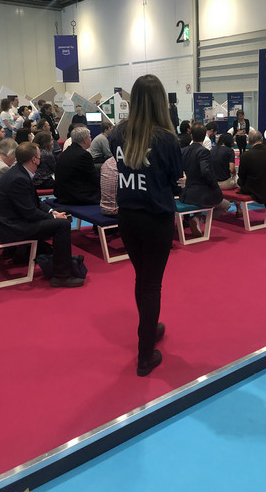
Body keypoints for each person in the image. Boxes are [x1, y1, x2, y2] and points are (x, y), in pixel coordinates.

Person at [109, 74, 183, 377]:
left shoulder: (117, 133)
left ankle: (149, 330)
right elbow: (175, 181)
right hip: (155, 218)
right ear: (160, 102)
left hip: (127, 217)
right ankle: (144, 355)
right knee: (151, 283)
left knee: (143, 278)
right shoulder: (166, 139)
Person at [0, 142, 84, 288]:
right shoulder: (19, 178)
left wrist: (52, 212)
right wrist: (55, 218)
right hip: (9, 226)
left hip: (11, 220)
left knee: (60, 215)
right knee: (63, 225)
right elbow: (30, 213)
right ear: (34, 159)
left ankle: (58, 262)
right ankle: (61, 275)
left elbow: (35, 202)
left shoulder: (20, 172)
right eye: (39, 155)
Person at [181, 122, 231, 235]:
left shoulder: (183, 151)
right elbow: (205, 171)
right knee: (226, 205)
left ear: (191, 135)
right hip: (202, 194)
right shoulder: (204, 152)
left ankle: (197, 219)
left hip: (187, 193)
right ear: (204, 136)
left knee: (202, 201)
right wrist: (213, 184)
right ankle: (201, 219)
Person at [237, 130, 266, 224]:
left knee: (240, 181)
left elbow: (242, 175)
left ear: (249, 142)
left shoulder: (245, 155)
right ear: (262, 139)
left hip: (255, 187)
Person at [54, 126, 100, 205]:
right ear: (84, 140)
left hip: (63, 195)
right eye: (89, 137)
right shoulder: (84, 155)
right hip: (76, 197)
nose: (91, 139)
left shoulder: (65, 153)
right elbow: (93, 178)